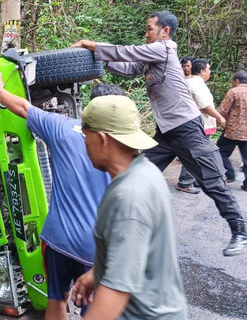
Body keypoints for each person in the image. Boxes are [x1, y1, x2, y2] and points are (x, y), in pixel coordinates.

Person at [72, 10, 247, 256]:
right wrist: (98, 58)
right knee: (133, 172)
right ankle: (124, 226)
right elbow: (129, 67)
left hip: (187, 129)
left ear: (165, 31)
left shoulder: (164, 49)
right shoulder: (151, 55)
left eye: (149, 29)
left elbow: (126, 51)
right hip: (165, 134)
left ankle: (239, 230)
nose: (146, 34)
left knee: (212, 182)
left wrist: (89, 44)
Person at [0, 76, 112, 320]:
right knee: (96, 310)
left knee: (56, 301)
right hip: (94, 249)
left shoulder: (62, 128)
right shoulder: (125, 151)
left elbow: (23, 107)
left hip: (57, 240)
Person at [71, 95, 188, 319]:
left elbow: (116, 291)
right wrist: (96, 274)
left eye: (86, 137)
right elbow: (134, 250)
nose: (85, 144)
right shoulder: (145, 171)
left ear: (103, 139)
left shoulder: (129, 196)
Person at [177, 58, 226, 194]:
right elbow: (205, 105)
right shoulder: (196, 84)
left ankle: (194, 179)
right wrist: (220, 117)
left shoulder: (187, 81)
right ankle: (185, 181)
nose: (210, 72)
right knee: (195, 153)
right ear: (203, 71)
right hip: (199, 123)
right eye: (209, 69)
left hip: (189, 122)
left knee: (198, 153)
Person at [217, 70, 247, 193]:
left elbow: (223, 110)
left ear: (236, 80)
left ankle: (229, 174)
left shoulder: (234, 92)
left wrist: (218, 122)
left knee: (219, 152)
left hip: (232, 130)